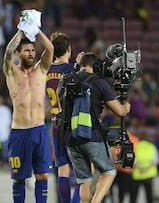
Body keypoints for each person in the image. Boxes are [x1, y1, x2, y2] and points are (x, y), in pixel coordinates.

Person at [60, 52, 131, 203]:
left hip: (71, 139)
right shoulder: (99, 82)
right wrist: (126, 104)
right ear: (95, 66)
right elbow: (120, 111)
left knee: (85, 180)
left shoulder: (66, 80)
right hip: (91, 136)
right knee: (109, 172)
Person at [2, 18, 54, 202]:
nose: (31, 53)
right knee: (19, 178)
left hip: (39, 130)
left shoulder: (41, 70)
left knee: (43, 176)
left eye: (33, 50)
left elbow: (50, 49)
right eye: (27, 50)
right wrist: (21, 30)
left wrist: (37, 30)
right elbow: (8, 52)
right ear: (19, 53)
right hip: (19, 132)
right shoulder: (11, 72)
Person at [46, 31, 81, 203]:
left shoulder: (47, 70)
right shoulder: (72, 69)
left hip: (55, 124)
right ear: (69, 49)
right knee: (84, 169)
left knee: (63, 168)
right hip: (73, 123)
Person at [130, 131, 159, 203]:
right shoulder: (152, 146)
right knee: (149, 196)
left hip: (137, 174)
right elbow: (155, 160)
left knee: (133, 196)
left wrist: (140, 168)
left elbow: (132, 160)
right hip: (149, 174)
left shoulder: (135, 146)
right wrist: (146, 169)